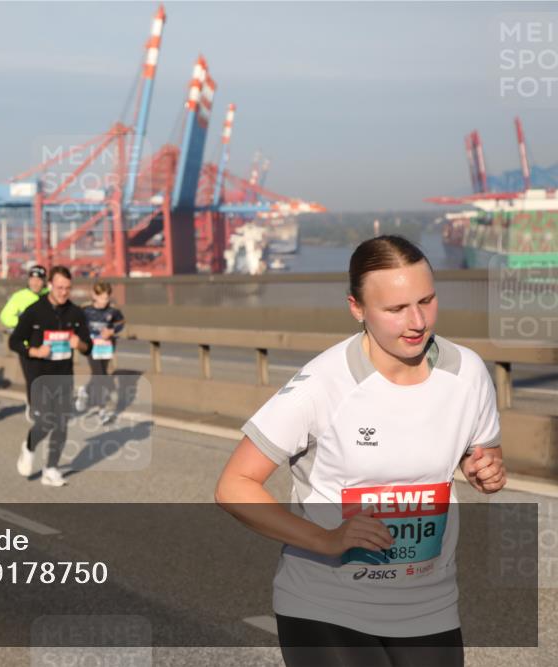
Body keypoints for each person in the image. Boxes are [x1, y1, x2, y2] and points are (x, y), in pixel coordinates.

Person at [214, 236, 506, 667]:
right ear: (357, 308)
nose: (417, 321)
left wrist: (486, 470)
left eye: (426, 300)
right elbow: (234, 486)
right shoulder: (321, 384)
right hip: (327, 604)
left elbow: (480, 453)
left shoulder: (468, 372)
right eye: (395, 309)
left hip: (429, 603)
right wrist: (325, 539)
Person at [9, 266, 92, 487]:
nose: (64, 292)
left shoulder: (76, 313)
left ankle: (51, 469)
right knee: (46, 422)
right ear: (50, 286)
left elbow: (88, 346)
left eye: (67, 288)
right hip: (40, 376)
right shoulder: (34, 311)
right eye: (59, 287)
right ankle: (28, 447)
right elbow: (14, 341)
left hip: (64, 376)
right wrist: (34, 352)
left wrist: (80, 344)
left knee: (62, 424)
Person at [0, 265, 49, 417]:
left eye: (39, 280)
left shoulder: (50, 296)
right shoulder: (19, 297)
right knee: (33, 378)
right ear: (28, 280)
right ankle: (34, 407)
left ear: (44, 281)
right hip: (27, 346)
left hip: (47, 346)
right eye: (32, 279)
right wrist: (23, 323)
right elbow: (5, 317)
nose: (35, 283)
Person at [76, 281, 125, 424]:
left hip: (106, 346)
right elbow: (77, 324)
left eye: (107, 298)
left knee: (101, 374)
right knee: (101, 377)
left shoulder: (113, 310)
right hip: (91, 347)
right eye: (102, 297)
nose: (105, 301)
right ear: (94, 295)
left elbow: (121, 323)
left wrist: (112, 331)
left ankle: (84, 390)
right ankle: (102, 409)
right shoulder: (85, 309)